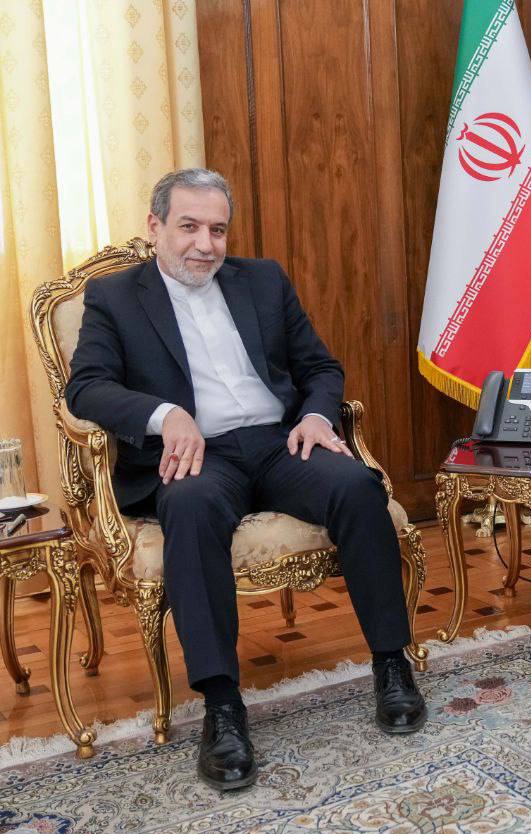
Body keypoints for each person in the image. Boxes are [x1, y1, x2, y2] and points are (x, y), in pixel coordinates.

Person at [66, 168, 425, 791]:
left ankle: (392, 665)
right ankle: (223, 707)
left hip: (279, 442)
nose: (204, 244)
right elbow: (86, 387)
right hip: (197, 455)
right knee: (191, 508)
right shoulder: (115, 297)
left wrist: (316, 415)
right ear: (154, 226)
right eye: (189, 227)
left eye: (217, 230)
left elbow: (320, 367)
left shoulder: (262, 279)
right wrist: (166, 415)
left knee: (358, 486)